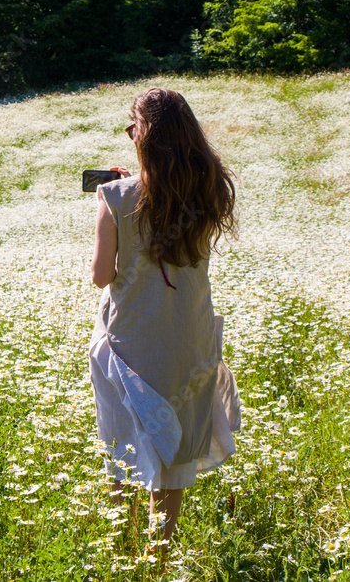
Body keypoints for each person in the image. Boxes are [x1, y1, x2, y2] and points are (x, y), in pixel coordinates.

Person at [88, 88, 243, 566]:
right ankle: (158, 556)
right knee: (174, 451)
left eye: (133, 128)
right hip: (188, 338)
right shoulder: (210, 187)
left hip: (131, 339)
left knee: (123, 444)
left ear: (145, 136)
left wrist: (116, 197)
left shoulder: (115, 194)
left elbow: (101, 276)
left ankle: (121, 549)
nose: (130, 136)